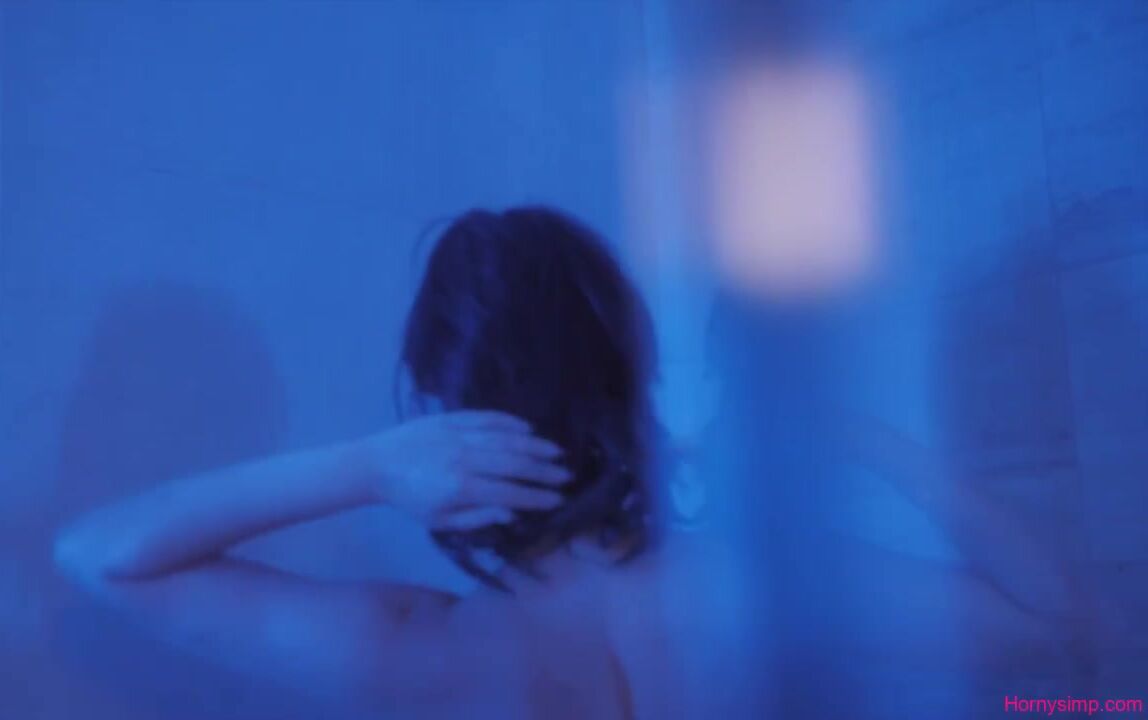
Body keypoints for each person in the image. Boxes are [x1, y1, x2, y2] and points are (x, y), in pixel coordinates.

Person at [55, 206, 1096, 719]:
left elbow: (102, 555)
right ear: (629, 370)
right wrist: (854, 438)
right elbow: (1062, 625)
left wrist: (367, 465)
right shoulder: (752, 587)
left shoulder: (418, 648)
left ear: (442, 415)